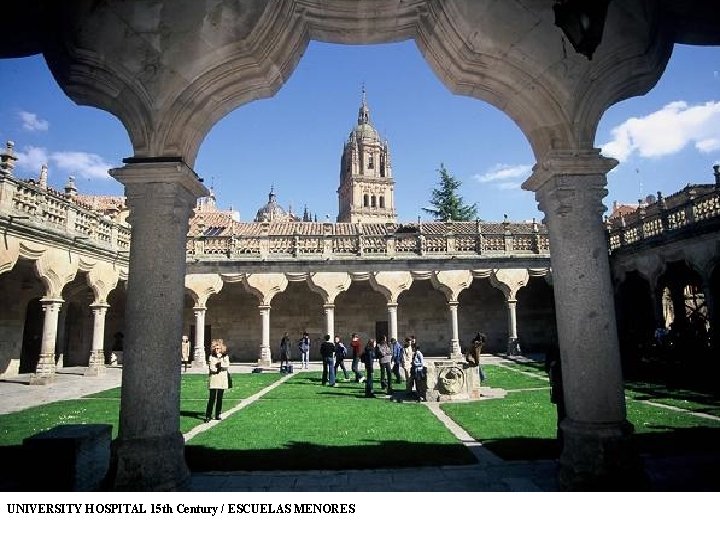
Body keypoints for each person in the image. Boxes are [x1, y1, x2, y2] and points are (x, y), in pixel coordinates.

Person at [205, 339, 230, 422]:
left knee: (220, 398)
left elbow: (226, 365)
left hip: (222, 379)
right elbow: (212, 367)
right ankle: (208, 415)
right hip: (214, 379)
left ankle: (218, 414)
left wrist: (219, 365)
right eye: (215, 348)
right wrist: (218, 367)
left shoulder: (225, 356)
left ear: (221, 349)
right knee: (211, 398)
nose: (217, 350)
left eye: (218, 348)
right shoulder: (211, 356)